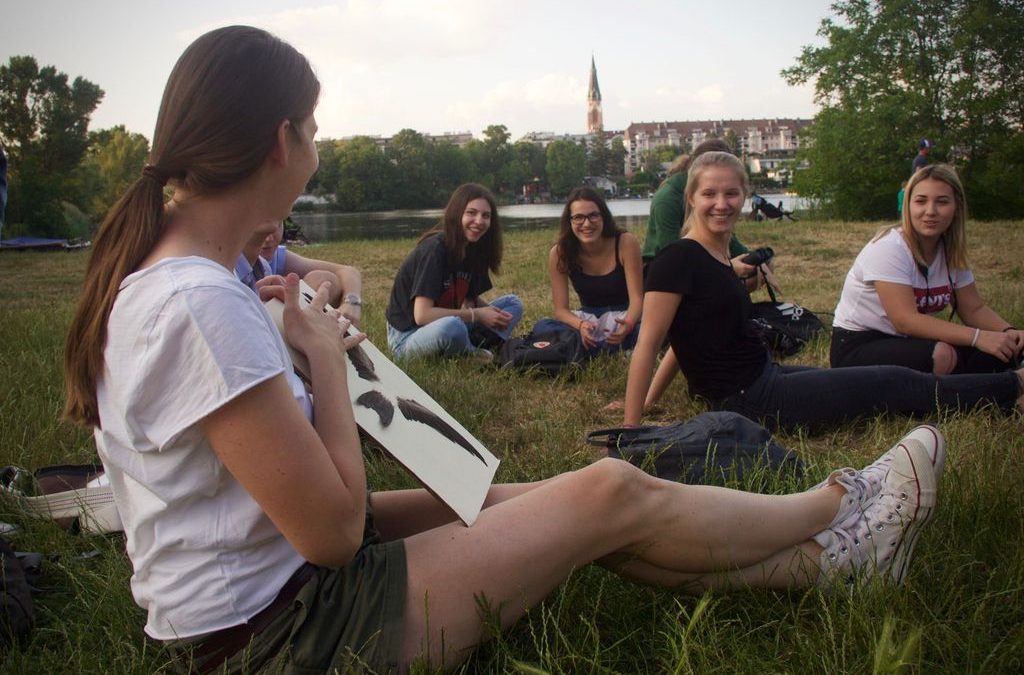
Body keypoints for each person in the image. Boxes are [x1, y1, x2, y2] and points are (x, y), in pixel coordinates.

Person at [63, 27, 947, 674]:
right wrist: (325, 364)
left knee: (532, 492)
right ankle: (841, 508)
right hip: (283, 633)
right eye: (317, 128)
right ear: (281, 142)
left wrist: (310, 329)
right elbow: (334, 531)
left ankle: (828, 563)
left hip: (263, 593)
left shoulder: (183, 273)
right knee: (601, 489)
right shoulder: (195, 304)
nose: (320, 148)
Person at [624, 151, 1023, 431]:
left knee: (879, 381)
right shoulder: (677, 258)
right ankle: (1014, 387)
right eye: (709, 194)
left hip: (763, 379)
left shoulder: (718, 259)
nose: (721, 203)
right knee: (890, 383)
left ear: (745, 196)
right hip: (751, 399)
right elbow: (650, 343)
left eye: (731, 193)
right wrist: (631, 427)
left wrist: (651, 400)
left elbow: (686, 340)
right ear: (691, 197)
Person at [831, 164, 1022, 374]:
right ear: (908, 206)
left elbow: (973, 308)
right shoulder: (889, 248)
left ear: (956, 206)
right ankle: (963, 392)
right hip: (858, 344)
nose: (930, 211)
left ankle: (979, 386)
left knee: (1003, 352)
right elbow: (905, 321)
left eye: (942, 202)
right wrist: (978, 337)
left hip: (911, 342)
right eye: (921, 201)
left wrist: (1010, 332)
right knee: (942, 355)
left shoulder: (950, 251)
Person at [385, 183, 523, 360]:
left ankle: (470, 347)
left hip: (451, 324)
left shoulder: (473, 248)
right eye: (471, 213)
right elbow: (422, 315)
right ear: (457, 214)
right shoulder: (435, 250)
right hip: (408, 337)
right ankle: (472, 355)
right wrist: (478, 315)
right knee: (452, 326)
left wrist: (493, 315)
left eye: (486, 216)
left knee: (513, 304)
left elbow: (470, 300)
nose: (479, 221)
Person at [532, 186, 643, 353]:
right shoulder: (559, 253)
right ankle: (606, 348)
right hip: (589, 319)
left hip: (623, 316)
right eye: (578, 217)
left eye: (593, 215)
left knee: (653, 328)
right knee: (542, 327)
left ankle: (585, 349)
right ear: (569, 221)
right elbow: (561, 310)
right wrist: (581, 325)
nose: (587, 223)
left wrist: (628, 324)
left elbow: (637, 301)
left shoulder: (625, 243)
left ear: (603, 217)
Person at [235, 219, 364, 325]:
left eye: (275, 226)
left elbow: (348, 271)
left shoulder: (274, 258)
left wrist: (352, 302)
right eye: (260, 230)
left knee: (324, 279)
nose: (268, 239)